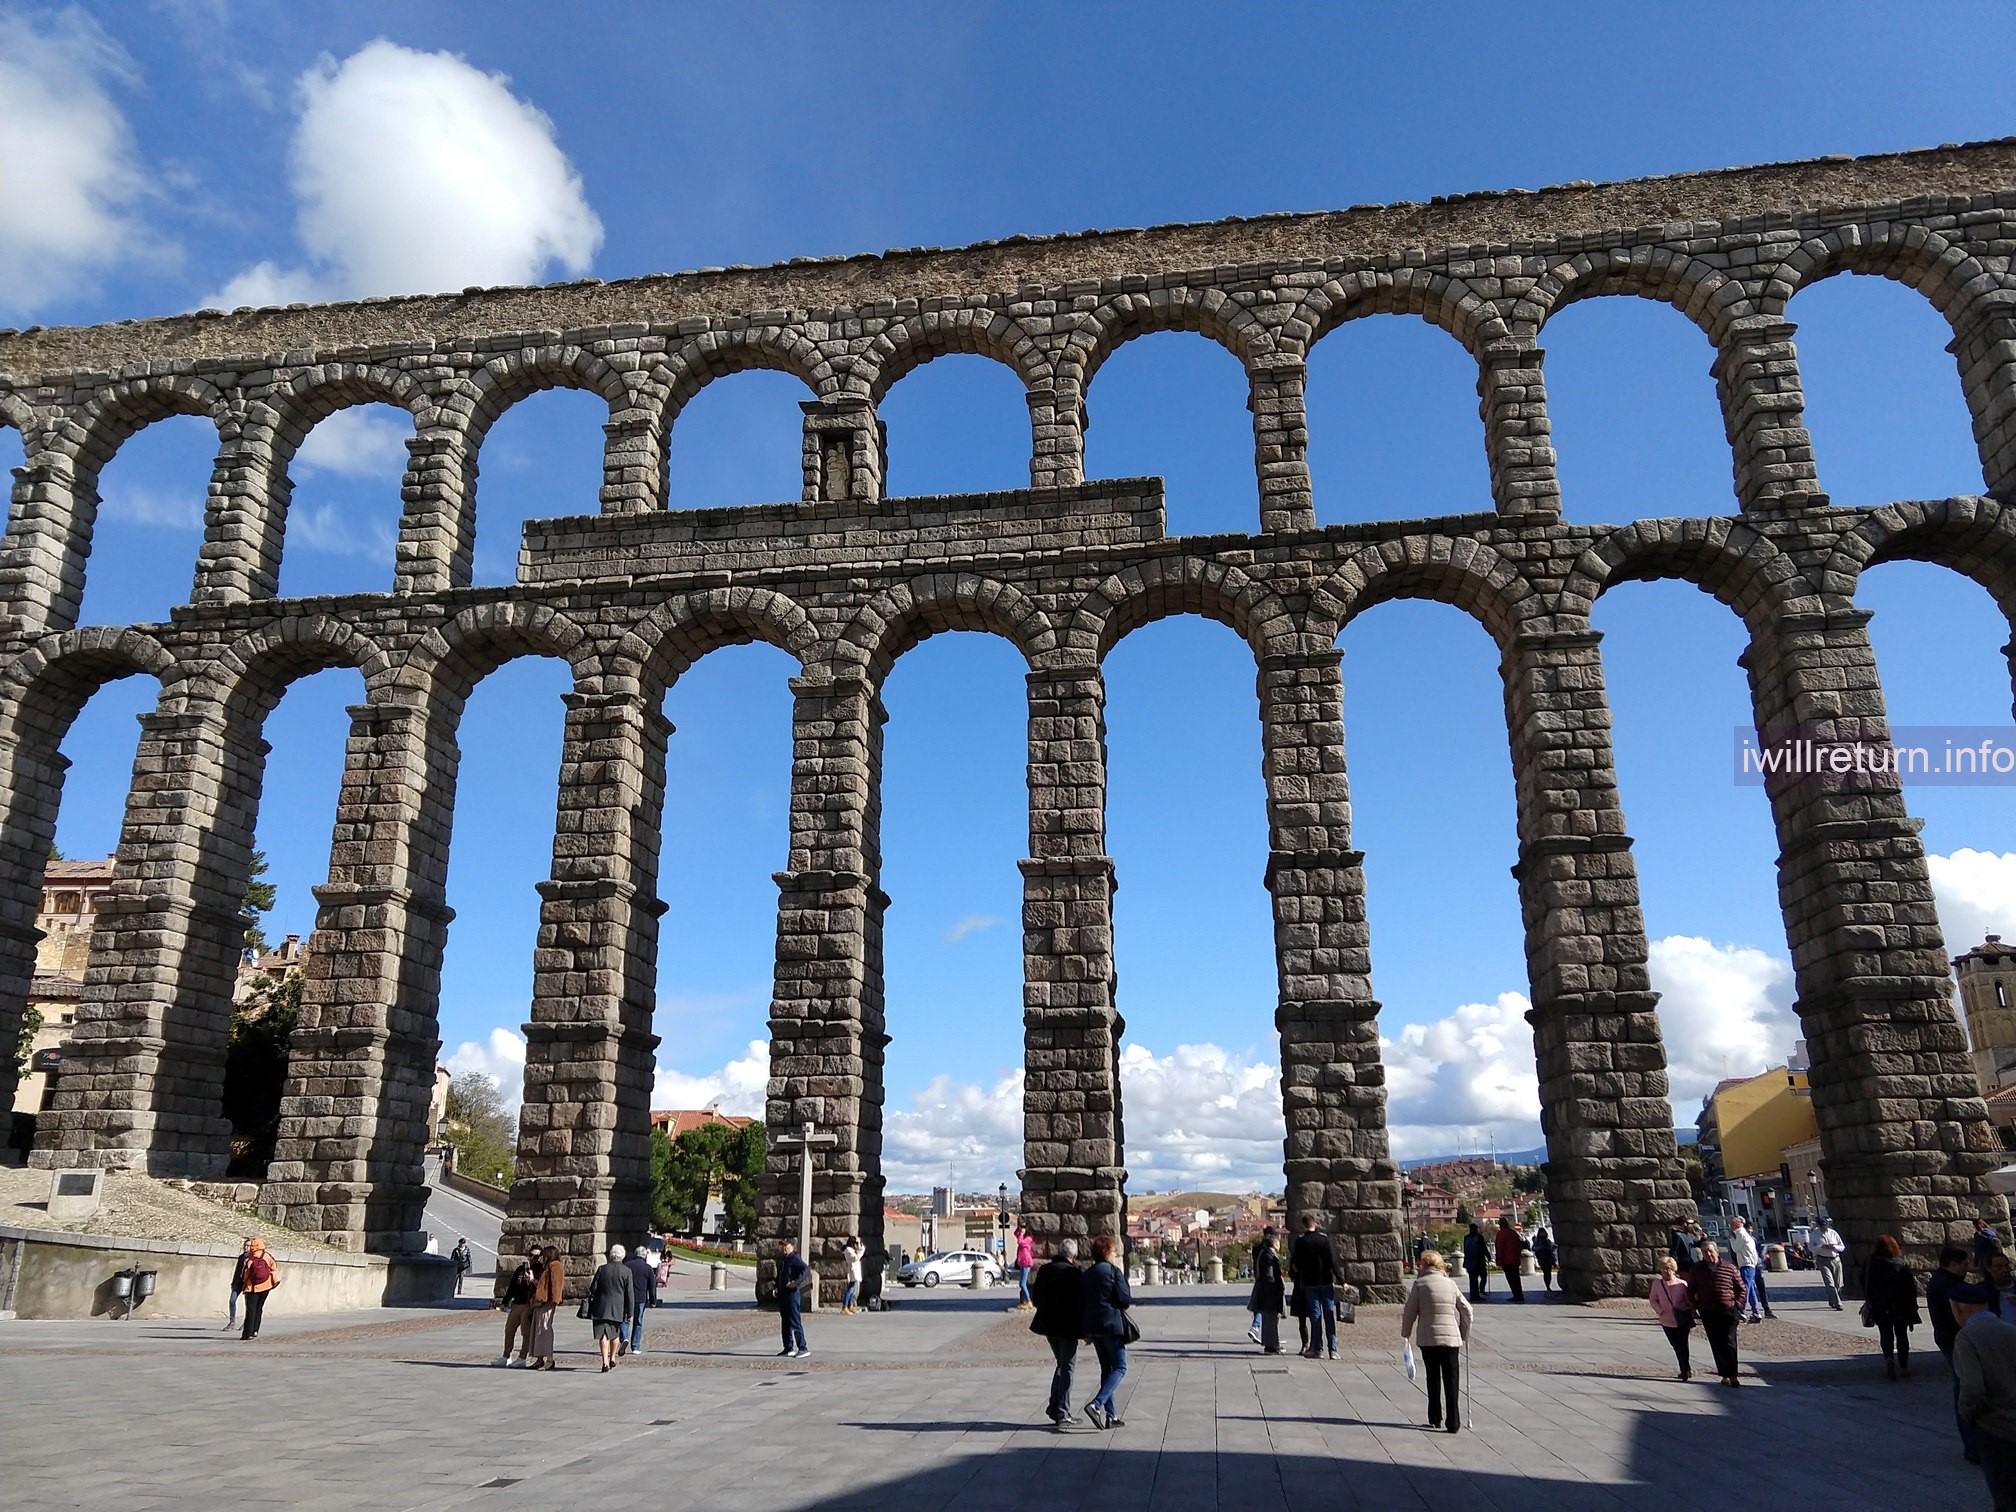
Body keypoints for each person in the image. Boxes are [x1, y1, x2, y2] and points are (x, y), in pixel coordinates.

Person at [1952, 1283, 2016, 1510]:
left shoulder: (1967, 1338)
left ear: (1958, 1308)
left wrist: (1968, 1415)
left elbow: (1972, 1387)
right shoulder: (2010, 1331)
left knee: (2004, 1494)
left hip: (1995, 1428)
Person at [1400, 1250, 1472, 1433]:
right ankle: (1454, 1421)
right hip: (1451, 1339)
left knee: (1432, 1377)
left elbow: (1409, 1313)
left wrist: (1406, 1334)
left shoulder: (1419, 1285)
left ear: (1423, 1265)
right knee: (1452, 1379)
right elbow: (1467, 1310)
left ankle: (1435, 1417)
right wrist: (1463, 1333)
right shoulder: (1450, 1284)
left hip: (1428, 1338)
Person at [1930, 1242, 1981, 1462]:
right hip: (1956, 1341)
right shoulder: (1949, 1286)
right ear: (1953, 1264)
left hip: (1947, 1339)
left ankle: (1973, 1444)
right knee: (1964, 1389)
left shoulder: (1940, 1281)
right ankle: (1972, 1445)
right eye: (1964, 1263)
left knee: (1962, 1387)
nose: (1967, 1267)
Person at [1078, 1232, 1134, 1429]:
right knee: (1120, 1367)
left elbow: (1082, 1301)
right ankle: (1096, 1404)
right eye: (1113, 1251)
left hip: (1093, 1328)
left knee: (1106, 1369)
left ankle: (1111, 1416)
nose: (1114, 1254)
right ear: (1108, 1252)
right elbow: (1125, 1299)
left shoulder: (1087, 1274)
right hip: (1112, 1325)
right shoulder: (1112, 1271)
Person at [1029, 1239, 1084, 1426]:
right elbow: (1080, 1303)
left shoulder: (1044, 1270)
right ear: (1073, 1255)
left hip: (1048, 1326)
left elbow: (1035, 1299)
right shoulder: (1074, 1273)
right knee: (1068, 1366)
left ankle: (1055, 1406)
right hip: (1068, 1327)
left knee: (1062, 1364)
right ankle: (1062, 1411)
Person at [1862, 1233, 1921, 1381]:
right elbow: (1911, 1287)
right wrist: (1913, 1305)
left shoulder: (1870, 1263)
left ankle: (1889, 1358)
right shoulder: (1900, 1264)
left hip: (1880, 1305)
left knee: (1885, 1334)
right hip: (1900, 1305)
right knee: (1902, 1335)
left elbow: (1863, 1281)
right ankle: (1904, 1366)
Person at [1687, 1238, 1743, 1386]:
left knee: (1730, 1343)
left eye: (1710, 1251)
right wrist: (1696, 1305)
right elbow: (1690, 1289)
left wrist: (1737, 1305)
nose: (1708, 1254)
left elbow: (1741, 1288)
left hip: (1728, 1310)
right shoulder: (1697, 1269)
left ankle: (1733, 1375)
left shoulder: (1729, 1267)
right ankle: (1724, 1374)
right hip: (1708, 1311)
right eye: (1705, 1252)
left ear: (1717, 1252)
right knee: (1716, 1343)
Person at [1289, 1214, 1341, 1360]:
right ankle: (1333, 1350)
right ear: (1315, 1224)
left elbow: (1296, 1263)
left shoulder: (1300, 1242)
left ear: (1304, 1225)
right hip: (1326, 1282)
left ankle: (1317, 1349)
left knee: (1315, 1316)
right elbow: (1332, 1261)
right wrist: (1342, 1280)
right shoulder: (1324, 1240)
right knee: (1329, 1315)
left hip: (1309, 1284)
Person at [587, 1244, 636, 1373]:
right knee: (614, 1334)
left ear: (611, 1256)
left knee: (603, 1334)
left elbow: (593, 1288)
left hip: (601, 1306)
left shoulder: (602, 1269)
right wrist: (630, 1312)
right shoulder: (626, 1271)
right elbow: (629, 1294)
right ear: (622, 1256)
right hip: (618, 1308)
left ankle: (605, 1362)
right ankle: (612, 1357)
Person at [1649, 1255, 1695, 1381]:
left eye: (1668, 1268)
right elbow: (1653, 1300)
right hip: (1666, 1319)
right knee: (1676, 1345)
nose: (1666, 1271)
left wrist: (1688, 1309)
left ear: (1674, 1269)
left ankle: (1685, 1369)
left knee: (1683, 1345)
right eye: (1664, 1269)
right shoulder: (1657, 1284)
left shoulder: (1681, 1284)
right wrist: (1660, 1311)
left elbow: (1689, 1301)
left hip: (1681, 1319)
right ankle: (1685, 1367)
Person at [1248, 1228, 1285, 1355]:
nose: (1280, 1244)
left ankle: (1272, 1343)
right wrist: (1277, 1287)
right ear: (1274, 1243)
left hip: (1264, 1289)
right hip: (1270, 1291)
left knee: (1269, 1318)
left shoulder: (1261, 1251)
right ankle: (1271, 1345)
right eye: (1278, 1242)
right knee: (1270, 1318)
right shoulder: (1269, 1255)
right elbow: (1270, 1275)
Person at [495, 1255, 537, 1366]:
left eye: (536, 1256)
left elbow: (540, 1287)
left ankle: (522, 1357)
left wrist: (532, 1279)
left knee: (525, 1332)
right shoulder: (520, 1269)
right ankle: (506, 1356)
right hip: (516, 1304)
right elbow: (512, 1286)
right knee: (509, 1330)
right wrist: (505, 1301)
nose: (533, 1258)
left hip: (527, 1305)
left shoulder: (538, 1270)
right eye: (531, 1255)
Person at [529, 1244, 564, 1370]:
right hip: (541, 1301)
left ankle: (549, 1359)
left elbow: (556, 1284)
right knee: (538, 1330)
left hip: (547, 1302)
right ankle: (539, 1358)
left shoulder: (555, 1265)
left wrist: (555, 1300)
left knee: (545, 1328)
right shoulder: (548, 1266)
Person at [238, 1237, 280, 1341]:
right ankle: (255, 1330)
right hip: (266, 1286)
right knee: (259, 1308)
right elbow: (274, 1267)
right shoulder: (267, 1256)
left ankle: (247, 1333)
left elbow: (244, 1274)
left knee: (250, 1310)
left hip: (251, 1287)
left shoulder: (250, 1258)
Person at [776, 1238, 810, 1359]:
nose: (783, 1248)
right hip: (783, 1294)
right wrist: (776, 1287)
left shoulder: (794, 1258)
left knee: (795, 1321)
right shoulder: (784, 1260)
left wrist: (796, 1282)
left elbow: (806, 1270)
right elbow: (780, 1275)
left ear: (792, 1246)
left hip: (792, 1294)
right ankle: (788, 1347)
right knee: (785, 1322)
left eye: (786, 1245)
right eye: (782, 1245)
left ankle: (803, 1347)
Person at [1728, 1217, 1767, 1323]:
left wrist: (1732, 1238)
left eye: (1732, 1225)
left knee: (1744, 1288)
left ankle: (1741, 1311)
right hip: (1750, 1264)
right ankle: (1756, 1312)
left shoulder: (1740, 1234)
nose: (1731, 1227)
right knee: (1751, 1290)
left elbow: (1736, 1248)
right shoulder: (1747, 1235)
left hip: (1746, 1264)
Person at [623, 1242, 657, 1356]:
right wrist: (653, 1301)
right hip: (640, 1298)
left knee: (625, 1320)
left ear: (634, 1254)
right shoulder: (647, 1268)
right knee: (638, 1322)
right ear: (645, 1256)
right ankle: (635, 1346)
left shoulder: (627, 1265)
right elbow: (652, 1286)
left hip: (626, 1298)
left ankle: (624, 1338)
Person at [1810, 1218, 1846, 1310]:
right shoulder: (1814, 1234)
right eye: (1822, 1226)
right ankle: (1838, 1303)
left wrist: (1834, 1246)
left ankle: (1832, 1299)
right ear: (1818, 1225)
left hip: (1836, 1259)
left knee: (1838, 1284)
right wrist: (1821, 1247)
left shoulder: (1833, 1233)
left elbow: (1842, 1247)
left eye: (1825, 1226)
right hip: (1823, 1260)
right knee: (1830, 1283)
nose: (1824, 1228)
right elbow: (1811, 1248)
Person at [225, 1236, 254, 1331]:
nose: (246, 1247)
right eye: (245, 1245)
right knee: (232, 1300)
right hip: (238, 1282)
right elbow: (237, 1271)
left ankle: (247, 1322)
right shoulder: (241, 1257)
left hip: (248, 1283)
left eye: (248, 1246)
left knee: (248, 1304)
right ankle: (232, 1321)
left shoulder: (254, 1258)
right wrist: (234, 1282)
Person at [1495, 1216, 1526, 1304]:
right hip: (1515, 1259)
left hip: (1506, 1260)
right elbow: (1519, 1245)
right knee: (1516, 1278)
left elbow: (1499, 1248)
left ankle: (1516, 1295)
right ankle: (1519, 1294)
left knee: (1511, 1279)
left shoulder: (1501, 1234)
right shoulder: (1513, 1233)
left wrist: (1499, 1260)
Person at [1462, 1222, 1490, 1304]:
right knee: (1480, 1277)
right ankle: (1477, 1293)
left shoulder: (1466, 1238)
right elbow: (1484, 1248)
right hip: (1479, 1261)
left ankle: (1475, 1294)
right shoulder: (1479, 1237)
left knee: (1474, 1279)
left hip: (1470, 1261)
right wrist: (1488, 1257)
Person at [840, 1236, 864, 1314]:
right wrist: (861, 1251)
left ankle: (850, 1306)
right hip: (852, 1271)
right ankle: (844, 1306)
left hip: (855, 1271)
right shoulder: (848, 1250)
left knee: (853, 1289)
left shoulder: (852, 1250)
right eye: (856, 1243)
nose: (857, 1245)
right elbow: (855, 1258)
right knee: (850, 1289)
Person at [1014, 1225, 1036, 1309]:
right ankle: (1025, 1301)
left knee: (1023, 1284)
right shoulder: (1023, 1237)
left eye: (1024, 1227)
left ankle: (1029, 1301)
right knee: (1022, 1283)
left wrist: (1022, 1233)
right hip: (1023, 1263)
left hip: (1026, 1263)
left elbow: (1020, 1242)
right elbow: (1015, 1233)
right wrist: (1019, 1228)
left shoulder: (1029, 1239)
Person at [1990, 1252, 2016, 1322]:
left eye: (2006, 1265)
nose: (2004, 1270)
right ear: (1990, 1269)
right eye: (1999, 1266)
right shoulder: (1984, 1291)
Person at [1532, 1227, 1557, 1294]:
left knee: (1548, 1273)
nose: (1542, 1234)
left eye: (1543, 1232)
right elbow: (1534, 1248)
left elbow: (1552, 1248)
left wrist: (1552, 1247)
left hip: (1548, 1258)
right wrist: (1541, 1248)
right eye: (1541, 1232)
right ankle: (1547, 1286)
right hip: (1542, 1259)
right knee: (1546, 1272)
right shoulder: (1537, 1241)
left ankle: (1548, 1285)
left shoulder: (1547, 1240)